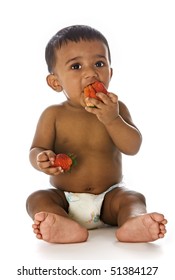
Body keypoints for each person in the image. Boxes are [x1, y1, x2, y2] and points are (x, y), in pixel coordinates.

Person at [26, 25, 167, 244]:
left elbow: (133, 147)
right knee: (37, 198)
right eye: (76, 66)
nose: (91, 73)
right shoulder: (53, 115)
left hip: (109, 197)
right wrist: (41, 159)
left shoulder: (116, 109)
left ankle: (133, 221)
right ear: (56, 82)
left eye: (99, 64)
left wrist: (112, 119)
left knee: (132, 198)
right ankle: (62, 223)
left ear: (110, 72)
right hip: (65, 198)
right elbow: (37, 148)